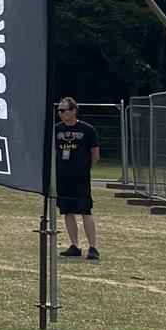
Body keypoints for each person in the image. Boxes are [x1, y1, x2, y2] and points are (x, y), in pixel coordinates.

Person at [54, 96, 100, 260]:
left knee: (85, 210)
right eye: (59, 111)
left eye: (64, 110)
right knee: (67, 210)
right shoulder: (57, 130)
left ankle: (93, 247)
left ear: (74, 111)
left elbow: (95, 154)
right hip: (62, 177)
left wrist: (85, 170)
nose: (61, 113)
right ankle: (75, 245)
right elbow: (54, 152)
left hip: (80, 178)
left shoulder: (87, 130)